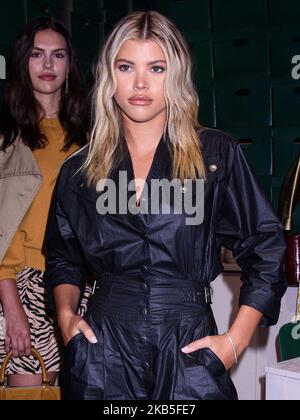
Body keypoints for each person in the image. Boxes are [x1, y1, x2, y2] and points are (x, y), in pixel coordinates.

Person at [45, 11, 287, 400]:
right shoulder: (78, 170)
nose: (140, 83)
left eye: (156, 68)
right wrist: (66, 317)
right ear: (110, 76)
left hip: (188, 342)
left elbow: (266, 245)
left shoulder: (215, 155)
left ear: (174, 76)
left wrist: (235, 341)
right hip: (103, 348)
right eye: (127, 66)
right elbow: (62, 256)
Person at [0, 17, 91, 387]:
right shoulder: (7, 135)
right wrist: (12, 307)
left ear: (70, 64)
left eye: (58, 55)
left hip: (79, 283)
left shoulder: (90, 133)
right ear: (24, 63)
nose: (48, 65)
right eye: (38, 55)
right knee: (29, 389)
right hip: (23, 283)